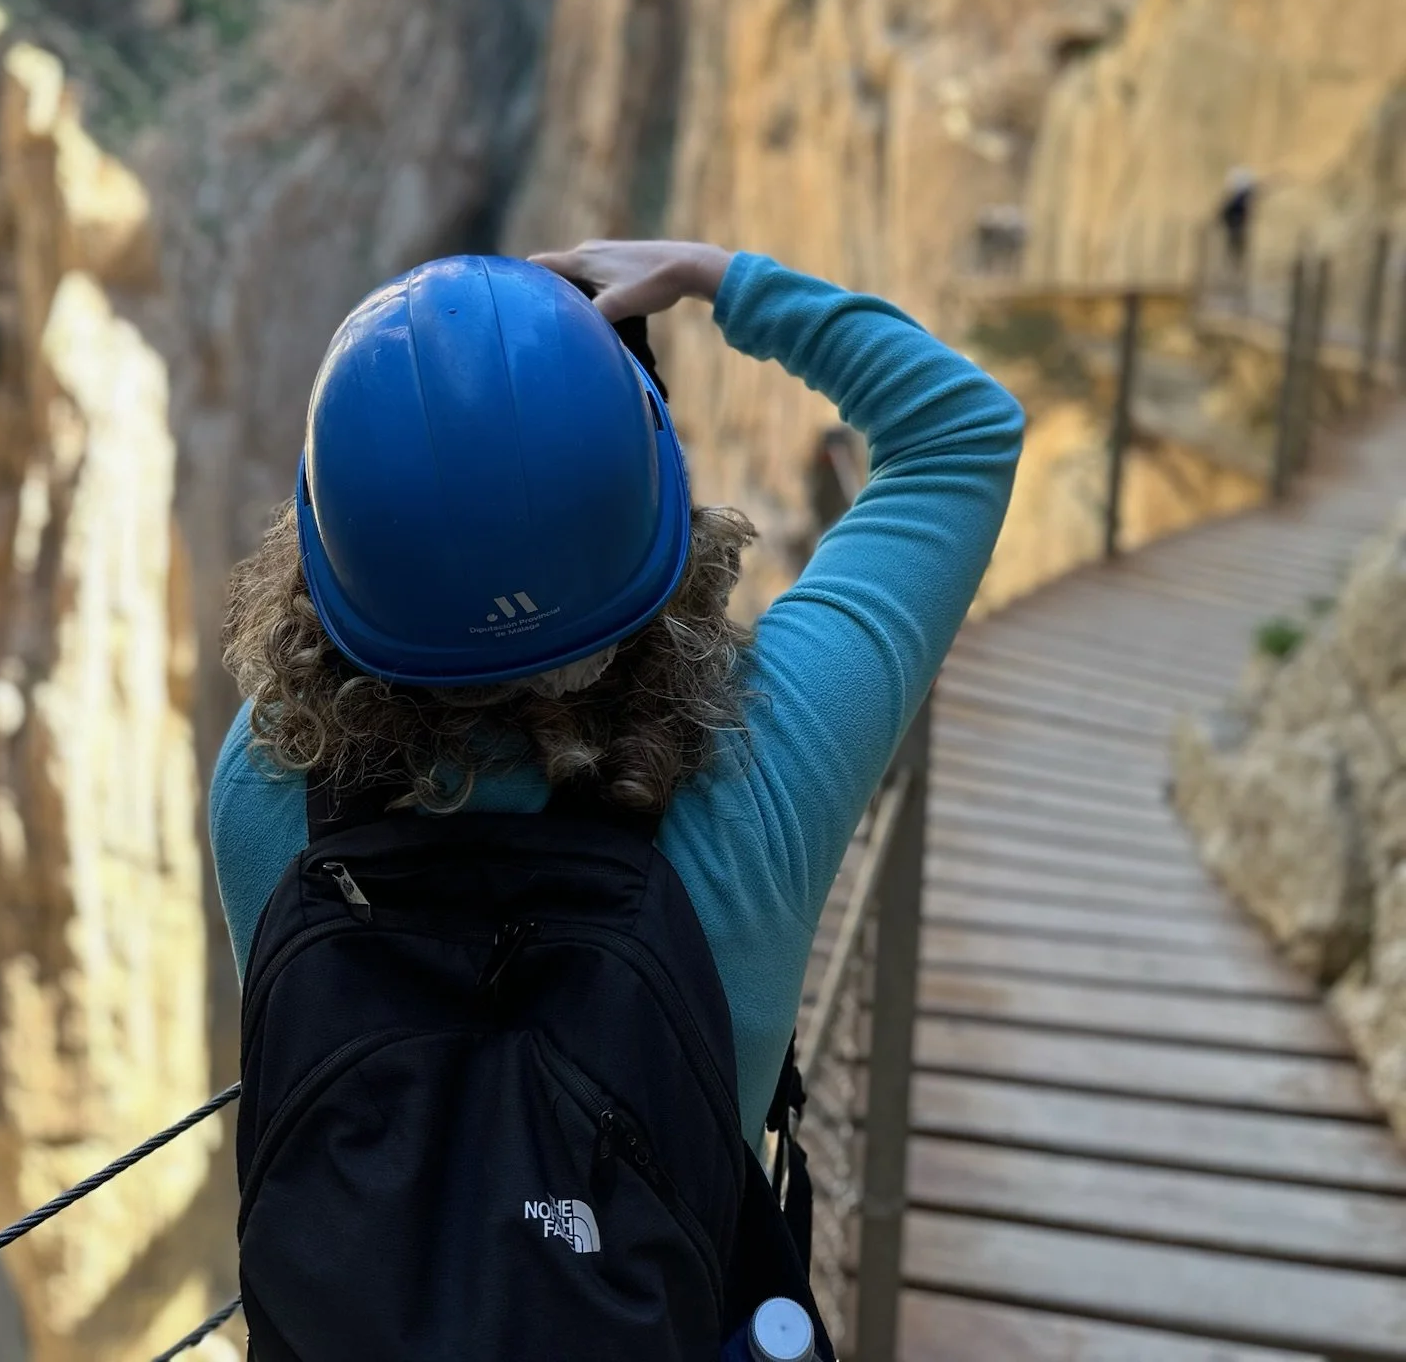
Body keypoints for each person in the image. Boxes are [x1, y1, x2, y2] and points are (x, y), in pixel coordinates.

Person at [210, 239, 1024, 1359]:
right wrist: (712, 276)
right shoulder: (762, 771)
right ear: (657, 488)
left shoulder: (265, 790)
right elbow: (960, 430)